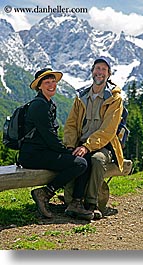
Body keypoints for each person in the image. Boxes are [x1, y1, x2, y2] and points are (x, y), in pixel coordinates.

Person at [18, 68, 93, 220]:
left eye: (53, 82)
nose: (51, 85)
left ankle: (75, 203)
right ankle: (45, 193)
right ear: (39, 86)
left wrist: (67, 151)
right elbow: (50, 137)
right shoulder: (40, 106)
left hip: (39, 152)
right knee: (80, 163)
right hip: (33, 156)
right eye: (47, 82)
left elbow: (50, 138)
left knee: (84, 160)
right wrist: (67, 151)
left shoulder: (48, 103)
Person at [63, 56, 124, 219]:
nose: (100, 72)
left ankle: (91, 203)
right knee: (76, 157)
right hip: (81, 144)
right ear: (92, 72)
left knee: (95, 159)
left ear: (108, 75)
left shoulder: (115, 99)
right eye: (97, 68)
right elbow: (71, 125)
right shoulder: (81, 98)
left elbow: (108, 130)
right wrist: (70, 145)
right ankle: (74, 202)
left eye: (104, 70)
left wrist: (87, 147)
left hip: (106, 146)